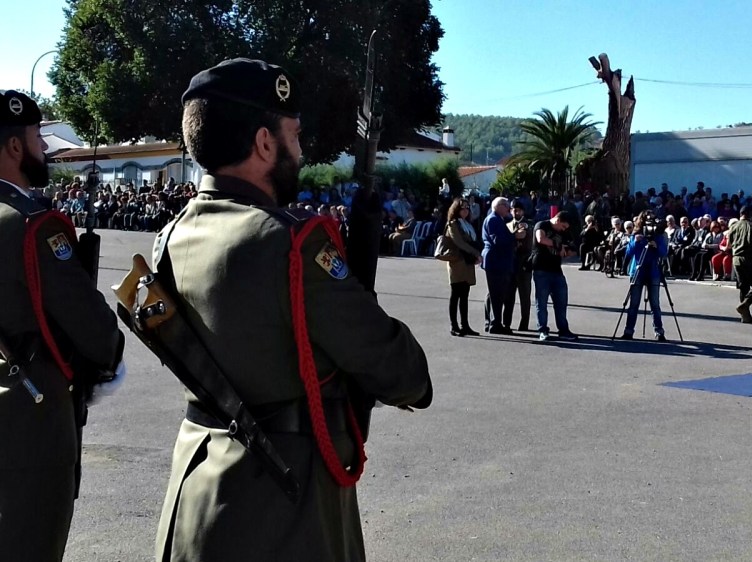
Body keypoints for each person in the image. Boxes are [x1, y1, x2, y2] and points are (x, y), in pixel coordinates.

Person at [152, 59, 432, 561]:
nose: (300, 150)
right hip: (282, 514)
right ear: (264, 143)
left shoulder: (170, 237)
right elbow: (401, 371)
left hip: (197, 494)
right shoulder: (290, 243)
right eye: (295, 135)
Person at [0, 90, 125, 562]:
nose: (43, 149)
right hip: (27, 420)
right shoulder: (33, 225)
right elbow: (93, 329)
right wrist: (109, 359)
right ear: (15, 147)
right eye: (36, 137)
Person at [530, 211, 578, 342]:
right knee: (542, 301)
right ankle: (543, 330)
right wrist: (558, 245)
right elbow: (541, 239)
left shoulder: (564, 232)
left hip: (556, 270)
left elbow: (573, 248)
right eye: (562, 227)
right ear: (557, 220)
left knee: (561, 302)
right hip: (541, 268)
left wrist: (567, 251)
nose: (563, 230)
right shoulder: (542, 225)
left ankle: (563, 330)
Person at [620, 212, 668, 341]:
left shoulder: (658, 235)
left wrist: (656, 246)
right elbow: (628, 252)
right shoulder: (636, 234)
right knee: (634, 303)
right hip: (637, 271)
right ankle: (628, 331)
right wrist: (636, 241)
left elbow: (664, 253)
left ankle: (659, 332)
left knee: (655, 304)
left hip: (653, 271)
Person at [444, 198, 481, 335]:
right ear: (456, 209)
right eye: (462, 208)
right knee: (456, 294)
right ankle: (454, 326)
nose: (465, 210)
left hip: (467, 262)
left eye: (467, 208)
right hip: (457, 262)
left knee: (465, 294)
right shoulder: (453, 224)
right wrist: (476, 253)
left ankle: (465, 325)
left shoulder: (467, 224)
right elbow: (459, 242)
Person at [481, 196, 515, 334]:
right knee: (497, 294)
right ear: (499, 206)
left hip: (499, 260)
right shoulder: (493, 219)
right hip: (496, 260)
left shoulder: (500, 219)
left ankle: (491, 322)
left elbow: (510, 225)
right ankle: (495, 324)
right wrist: (515, 237)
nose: (509, 208)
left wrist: (510, 219)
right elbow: (498, 240)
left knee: (494, 293)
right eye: (506, 206)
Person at [728, 206, 752, 323]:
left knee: (743, 286)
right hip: (750, 258)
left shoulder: (733, 227)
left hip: (736, 259)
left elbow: (729, 245)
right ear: (750, 215)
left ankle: (745, 315)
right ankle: (745, 304)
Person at [504, 200, 534, 331]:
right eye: (513, 210)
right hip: (511, 264)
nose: (516, 212)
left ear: (523, 211)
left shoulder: (528, 224)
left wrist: (525, 229)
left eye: (519, 210)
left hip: (524, 263)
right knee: (508, 296)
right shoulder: (507, 225)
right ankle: (506, 323)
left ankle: (524, 323)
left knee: (524, 296)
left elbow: (528, 235)